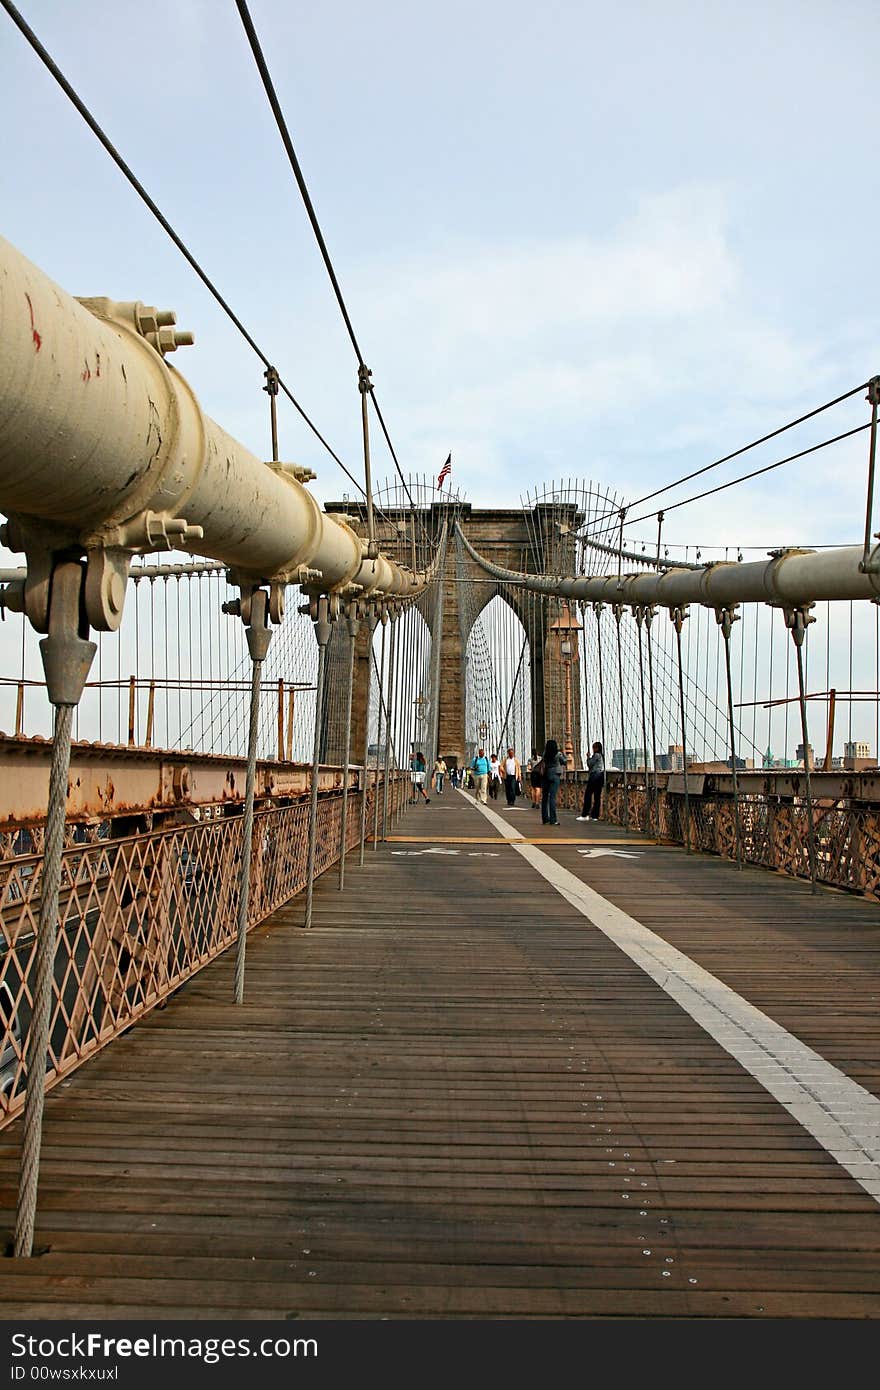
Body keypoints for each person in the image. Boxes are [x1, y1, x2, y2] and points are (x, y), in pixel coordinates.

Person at [540, 738, 567, 825]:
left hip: (546, 775)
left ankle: (545, 819)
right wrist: (564, 753)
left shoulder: (545, 754)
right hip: (555, 775)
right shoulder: (558, 754)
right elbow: (565, 762)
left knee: (545, 798)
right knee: (552, 797)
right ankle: (553, 819)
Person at [577, 741, 605, 821]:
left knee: (588, 794)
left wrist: (588, 757)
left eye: (593, 747)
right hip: (600, 776)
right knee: (597, 796)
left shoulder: (596, 755)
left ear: (596, 748)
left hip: (594, 776)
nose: (593, 749)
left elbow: (590, 764)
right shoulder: (601, 756)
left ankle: (585, 814)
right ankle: (595, 816)